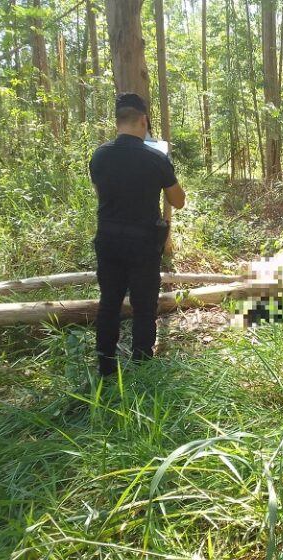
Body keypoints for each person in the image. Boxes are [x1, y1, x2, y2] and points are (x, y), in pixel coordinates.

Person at [89, 92, 186, 377]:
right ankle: (142, 367)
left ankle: (106, 367)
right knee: (144, 305)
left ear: (118, 122)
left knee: (109, 302)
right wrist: (166, 170)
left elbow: (102, 195)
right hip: (143, 243)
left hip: (108, 240)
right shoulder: (154, 158)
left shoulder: (99, 156)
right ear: (143, 121)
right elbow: (178, 200)